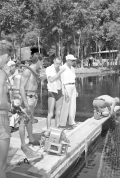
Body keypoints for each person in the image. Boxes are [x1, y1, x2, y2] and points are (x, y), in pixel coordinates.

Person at [19, 53, 42, 158]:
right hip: (27, 97)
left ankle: (31, 140)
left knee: (29, 119)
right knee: (23, 122)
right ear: (38, 60)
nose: (42, 63)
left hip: (33, 97)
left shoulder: (34, 71)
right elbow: (21, 87)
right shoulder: (27, 71)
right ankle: (23, 145)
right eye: (41, 61)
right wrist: (25, 102)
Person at [0, 40, 13, 178]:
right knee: (2, 165)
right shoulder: (1, 73)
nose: (8, 60)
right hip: (1, 118)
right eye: (8, 56)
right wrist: (12, 107)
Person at [46, 56, 65, 130]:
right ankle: (48, 129)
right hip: (52, 92)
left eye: (60, 63)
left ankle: (56, 129)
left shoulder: (61, 68)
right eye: (57, 63)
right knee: (50, 113)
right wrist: (60, 72)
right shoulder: (49, 69)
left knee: (58, 113)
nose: (58, 65)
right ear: (54, 61)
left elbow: (63, 81)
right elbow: (51, 79)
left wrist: (65, 91)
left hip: (59, 91)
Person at [59, 54, 78, 128]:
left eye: (74, 60)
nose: (73, 61)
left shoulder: (73, 68)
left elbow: (74, 80)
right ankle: (62, 123)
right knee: (65, 105)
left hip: (73, 86)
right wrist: (64, 91)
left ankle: (71, 121)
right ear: (67, 60)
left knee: (73, 105)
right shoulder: (63, 67)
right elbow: (62, 80)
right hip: (66, 86)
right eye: (72, 60)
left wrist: (75, 90)